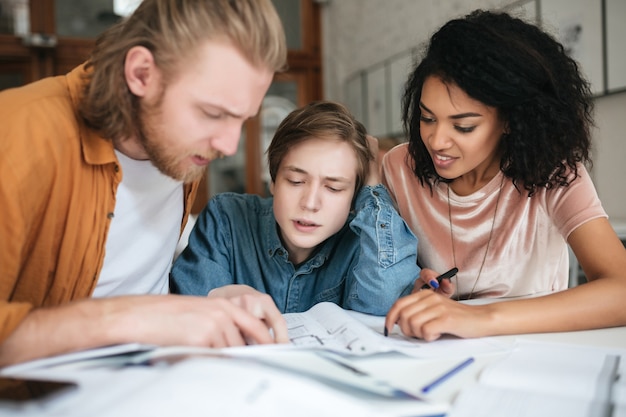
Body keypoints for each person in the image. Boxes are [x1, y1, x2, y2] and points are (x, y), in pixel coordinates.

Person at [0, 0, 290, 366]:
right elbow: (129, 312)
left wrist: (209, 301)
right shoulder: (14, 137)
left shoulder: (179, 150)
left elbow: (131, 283)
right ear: (141, 74)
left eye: (242, 120)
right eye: (212, 113)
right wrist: (129, 317)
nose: (228, 146)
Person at [383, 10, 626, 341]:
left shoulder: (552, 172)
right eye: (427, 118)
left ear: (511, 120)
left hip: (535, 358)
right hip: (436, 355)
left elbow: (621, 289)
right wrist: (412, 287)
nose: (437, 141)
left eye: (463, 126)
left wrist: (480, 318)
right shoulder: (400, 168)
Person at [171, 101, 419, 315]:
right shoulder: (226, 219)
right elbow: (192, 314)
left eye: (333, 188)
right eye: (295, 181)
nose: (310, 203)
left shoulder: (364, 243)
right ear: (274, 180)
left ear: (354, 196)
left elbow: (383, 306)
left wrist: (372, 189)